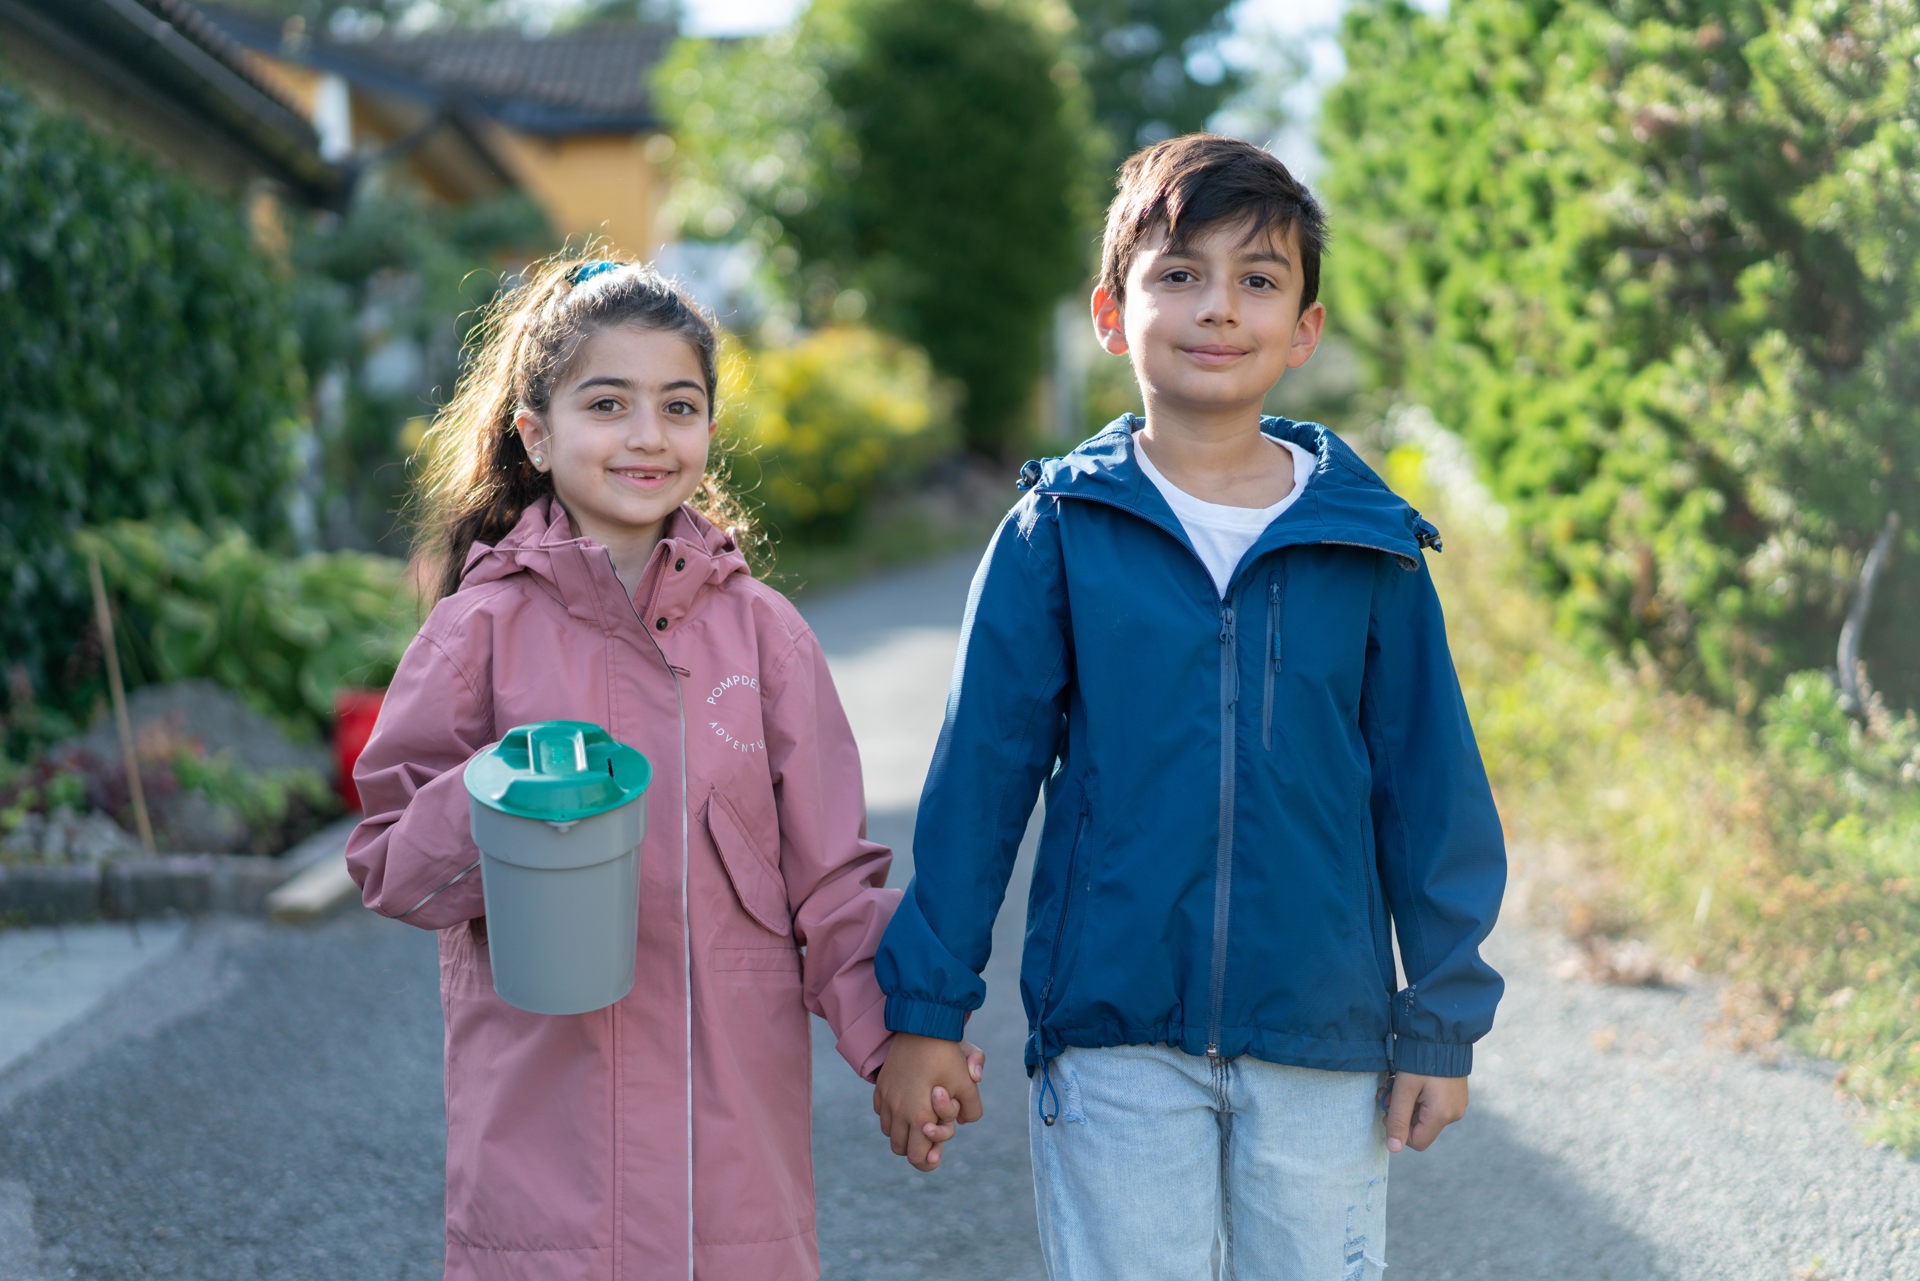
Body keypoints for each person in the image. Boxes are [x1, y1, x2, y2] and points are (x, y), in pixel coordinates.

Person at [870, 134, 1507, 1279]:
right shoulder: (1058, 533)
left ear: (1304, 328)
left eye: (1258, 279)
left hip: (1322, 1039)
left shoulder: (1370, 547)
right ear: (1113, 315)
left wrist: (1442, 1019)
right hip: (1112, 1037)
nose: (1218, 307)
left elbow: (1431, 793)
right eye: (1179, 274)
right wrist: (926, 1012)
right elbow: (978, 788)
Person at [345, 255, 980, 1281]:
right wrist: (496, 795)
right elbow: (388, 863)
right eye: (608, 403)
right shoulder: (476, 634)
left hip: (731, 1174)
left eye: (678, 405)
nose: (647, 434)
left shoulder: (765, 638)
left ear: (709, 429)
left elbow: (832, 881)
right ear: (535, 434)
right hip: (546, 1165)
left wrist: (900, 1040)